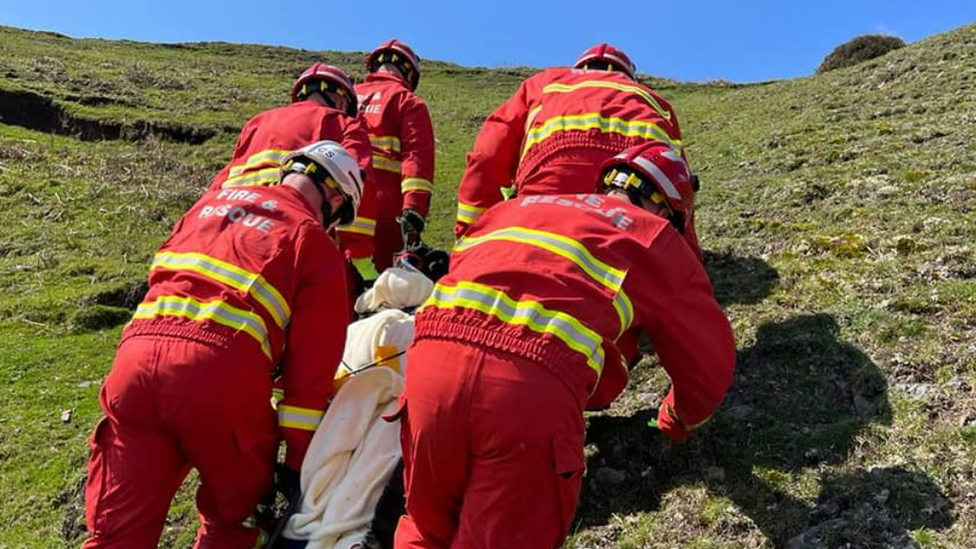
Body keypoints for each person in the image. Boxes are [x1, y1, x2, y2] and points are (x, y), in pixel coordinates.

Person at [393, 142, 735, 549]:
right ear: (669, 212)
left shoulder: (514, 209)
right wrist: (675, 417)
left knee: (425, 528)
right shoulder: (652, 234)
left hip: (429, 371)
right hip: (526, 392)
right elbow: (708, 364)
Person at [82, 141, 363, 549]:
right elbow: (310, 376)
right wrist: (299, 464)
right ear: (335, 198)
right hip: (218, 378)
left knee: (115, 534)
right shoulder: (312, 239)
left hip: (134, 365)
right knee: (236, 519)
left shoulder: (206, 206)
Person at [453, 43, 701, 258]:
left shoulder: (544, 83)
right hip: (632, 189)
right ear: (629, 75)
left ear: (580, 66)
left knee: (531, 257)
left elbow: (486, 157)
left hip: (551, 180)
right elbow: (679, 186)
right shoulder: (656, 101)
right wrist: (689, 262)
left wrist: (469, 238)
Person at [209, 62, 380, 284]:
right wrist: (361, 257)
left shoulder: (257, 122)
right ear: (340, 100)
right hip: (294, 238)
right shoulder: (343, 123)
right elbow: (357, 185)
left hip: (230, 233)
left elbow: (220, 183)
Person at [356, 39, 436, 271]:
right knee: (385, 288)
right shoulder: (408, 102)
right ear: (410, 73)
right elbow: (417, 159)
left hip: (336, 203)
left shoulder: (345, 97)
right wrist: (414, 209)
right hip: (385, 210)